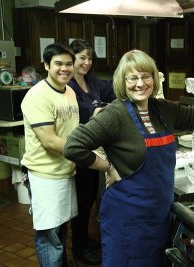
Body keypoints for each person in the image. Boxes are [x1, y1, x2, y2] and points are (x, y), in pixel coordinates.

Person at [63, 49, 194, 267]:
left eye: (146, 76)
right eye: (133, 77)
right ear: (123, 80)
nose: (140, 83)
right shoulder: (114, 113)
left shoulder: (162, 109)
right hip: (126, 218)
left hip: (158, 216)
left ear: (154, 78)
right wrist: (108, 167)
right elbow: (74, 147)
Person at [20, 43, 79, 267]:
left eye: (68, 64)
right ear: (46, 65)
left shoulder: (70, 91)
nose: (65, 68)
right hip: (44, 174)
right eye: (58, 64)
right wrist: (87, 155)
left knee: (61, 228)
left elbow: (71, 131)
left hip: (65, 171)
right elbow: (49, 140)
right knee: (49, 236)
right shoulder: (37, 96)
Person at [67, 39, 116, 265]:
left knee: (88, 198)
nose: (87, 63)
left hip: (93, 148)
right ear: (72, 59)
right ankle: (78, 247)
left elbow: (114, 90)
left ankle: (85, 238)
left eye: (89, 58)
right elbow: (76, 116)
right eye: (82, 58)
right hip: (78, 150)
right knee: (81, 201)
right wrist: (94, 112)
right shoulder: (68, 87)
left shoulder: (92, 82)